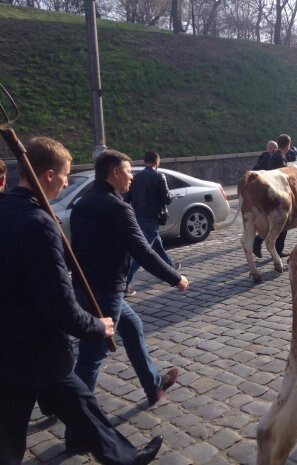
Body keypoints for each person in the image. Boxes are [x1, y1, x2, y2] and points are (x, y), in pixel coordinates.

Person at [0, 137, 163, 465]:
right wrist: (98, 326)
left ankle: (124, 457)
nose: (65, 183)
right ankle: (124, 458)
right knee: (71, 406)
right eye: (64, 176)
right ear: (47, 175)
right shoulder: (39, 224)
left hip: (9, 348)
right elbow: (58, 306)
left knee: (73, 409)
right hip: (38, 350)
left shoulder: (5, 209)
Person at [69, 150, 190, 413]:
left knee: (133, 326)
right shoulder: (118, 207)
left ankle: (153, 384)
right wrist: (175, 277)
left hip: (86, 287)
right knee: (92, 356)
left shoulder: (83, 203)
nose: (131, 178)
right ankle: (77, 429)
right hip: (106, 291)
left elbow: (75, 249)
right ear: (114, 173)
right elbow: (144, 251)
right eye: (127, 172)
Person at [124, 151, 178, 297]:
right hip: (152, 218)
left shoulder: (136, 177)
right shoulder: (159, 176)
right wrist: (172, 195)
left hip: (138, 217)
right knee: (142, 253)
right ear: (157, 161)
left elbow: (127, 198)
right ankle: (125, 284)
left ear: (144, 161)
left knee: (157, 246)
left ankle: (171, 268)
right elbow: (166, 199)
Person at [253, 134, 291, 259]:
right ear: (288, 145)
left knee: (272, 222)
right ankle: (275, 248)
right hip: (277, 193)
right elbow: (283, 174)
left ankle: (259, 242)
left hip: (270, 192)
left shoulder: (274, 155)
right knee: (282, 223)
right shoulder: (280, 157)